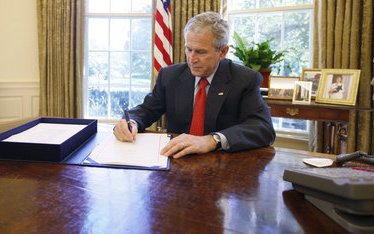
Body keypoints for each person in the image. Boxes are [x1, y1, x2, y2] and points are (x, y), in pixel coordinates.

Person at [113, 11, 275, 159]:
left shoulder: (245, 79)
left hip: (222, 165)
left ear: (223, 52)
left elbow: (263, 129)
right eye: (189, 49)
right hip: (175, 161)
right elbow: (147, 110)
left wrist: (212, 140)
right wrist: (131, 122)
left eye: (201, 52)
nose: (192, 59)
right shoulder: (170, 76)